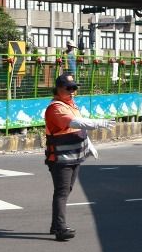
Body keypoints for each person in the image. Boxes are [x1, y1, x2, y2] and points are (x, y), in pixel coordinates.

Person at [44, 73, 115, 241]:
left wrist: (89, 145)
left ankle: (55, 225)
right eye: (68, 88)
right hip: (61, 159)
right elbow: (74, 123)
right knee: (62, 192)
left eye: (74, 88)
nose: (72, 91)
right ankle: (60, 229)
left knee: (66, 190)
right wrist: (99, 123)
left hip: (74, 157)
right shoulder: (56, 108)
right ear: (58, 89)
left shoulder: (71, 105)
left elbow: (79, 129)